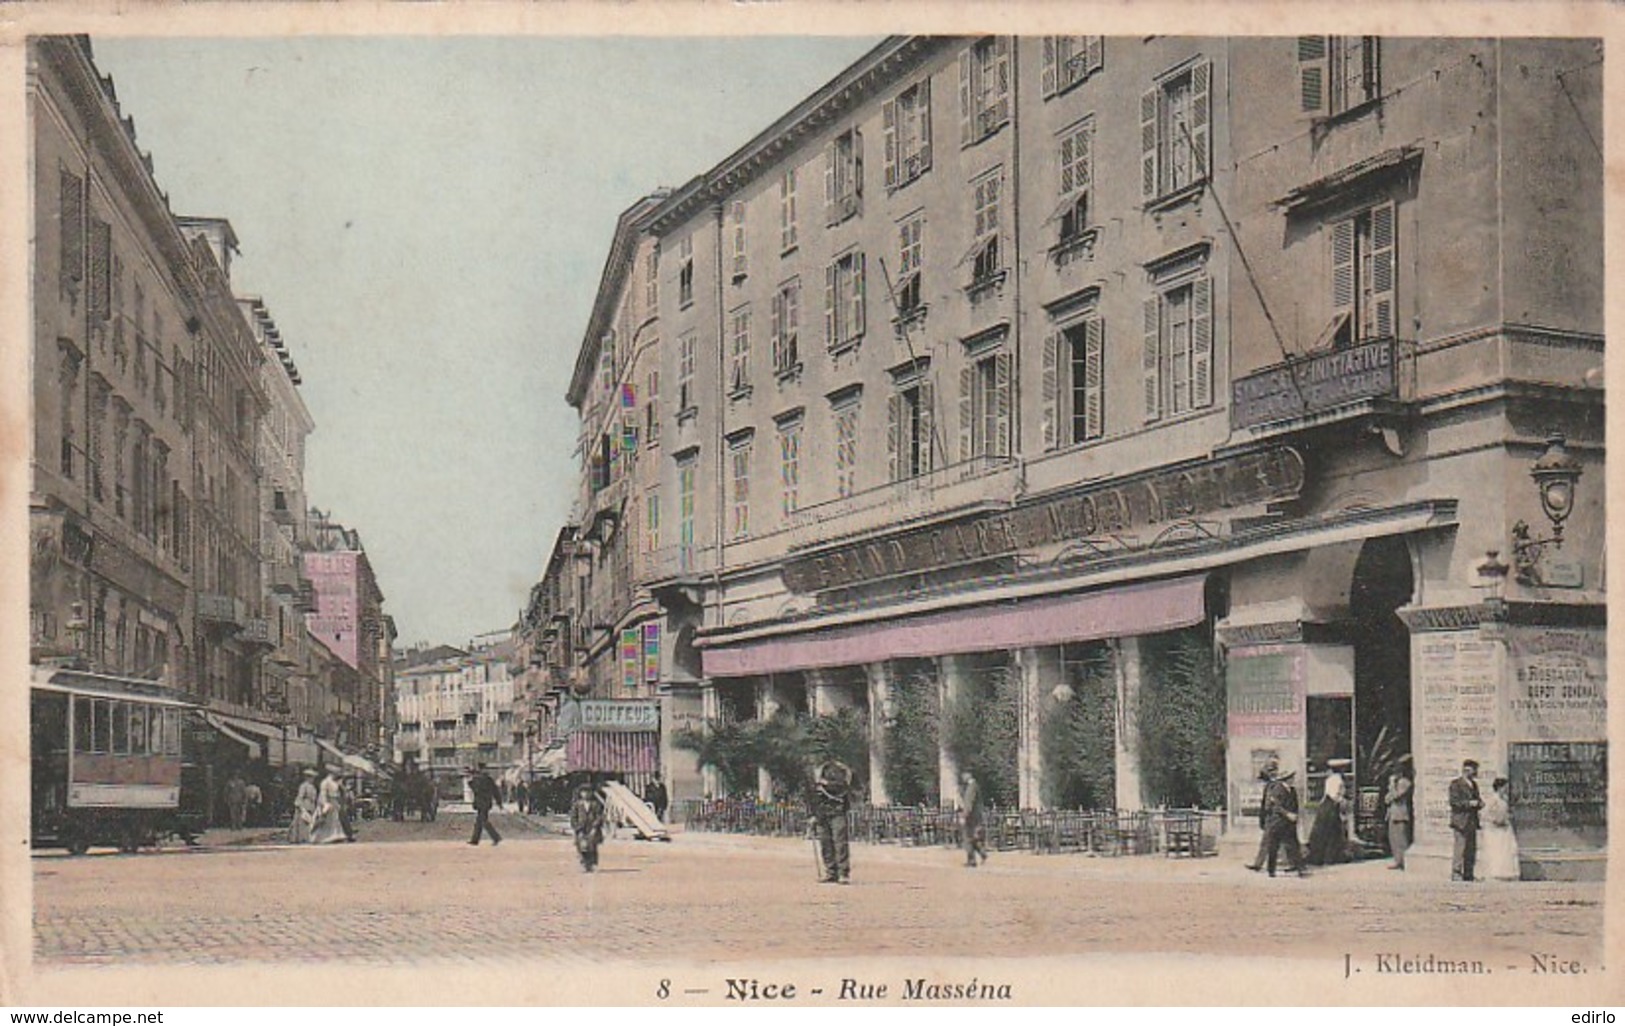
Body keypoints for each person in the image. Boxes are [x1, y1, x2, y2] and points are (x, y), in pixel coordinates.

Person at [809, 758, 853, 884]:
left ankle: (843, 873)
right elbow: (813, 797)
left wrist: (825, 783)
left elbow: (843, 786)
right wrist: (813, 815)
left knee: (840, 843)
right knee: (825, 843)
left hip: (837, 811)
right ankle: (830, 872)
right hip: (822, 814)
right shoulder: (815, 772)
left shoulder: (839, 769)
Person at [1263, 769, 1307, 878]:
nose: (1293, 780)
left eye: (1292, 778)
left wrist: (1295, 815)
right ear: (1286, 779)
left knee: (1293, 846)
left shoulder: (1292, 790)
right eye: (1291, 778)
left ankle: (1299, 868)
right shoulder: (1277, 790)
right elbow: (1276, 807)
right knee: (1273, 847)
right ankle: (1271, 870)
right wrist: (1288, 814)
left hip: (1289, 823)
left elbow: (1295, 805)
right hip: (1277, 822)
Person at [1305, 763, 1349, 866]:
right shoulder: (1338, 780)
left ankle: (1319, 857)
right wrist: (1342, 801)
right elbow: (1335, 795)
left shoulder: (1330, 780)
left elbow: (1328, 795)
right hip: (1332, 806)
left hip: (1326, 806)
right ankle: (1329, 858)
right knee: (1332, 833)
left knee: (1322, 832)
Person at [1448, 759, 1484, 881]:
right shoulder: (1455, 784)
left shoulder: (1474, 784)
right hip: (1460, 821)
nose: (1476, 772)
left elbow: (1478, 799)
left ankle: (1469, 873)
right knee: (1460, 848)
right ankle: (1456, 873)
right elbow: (1454, 802)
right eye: (1474, 770)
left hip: (1472, 821)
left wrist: (1479, 803)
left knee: (1471, 849)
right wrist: (1469, 803)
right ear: (1467, 770)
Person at [1480, 776, 1521, 881]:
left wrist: (1507, 818)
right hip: (1495, 830)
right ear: (1499, 788)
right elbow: (1485, 814)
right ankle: (1496, 872)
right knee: (1496, 850)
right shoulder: (1493, 799)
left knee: (1506, 849)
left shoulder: (1504, 799)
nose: (1506, 790)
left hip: (1504, 828)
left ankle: (1505, 872)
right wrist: (1495, 820)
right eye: (1504, 788)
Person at [1245, 755, 1280, 872]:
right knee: (1267, 841)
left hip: (1277, 817)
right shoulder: (1269, 785)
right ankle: (1258, 864)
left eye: (1271, 771)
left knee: (1287, 842)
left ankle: (1296, 863)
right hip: (1270, 817)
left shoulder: (1277, 785)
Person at [570, 782, 607, 871]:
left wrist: (595, 826)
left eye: (588, 792)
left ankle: (591, 863)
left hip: (592, 828)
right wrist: (577, 827)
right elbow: (573, 817)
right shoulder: (577, 805)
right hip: (581, 828)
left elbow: (599, 816)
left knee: (592, 846)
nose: (585, 794)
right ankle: (584, 863)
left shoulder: (596, 804)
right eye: (583, 792)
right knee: (581, 846)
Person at [1385, 761, 1414, 870]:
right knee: (1393, 838)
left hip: (1401, 813)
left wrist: (1392, 786)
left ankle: (1404, 861)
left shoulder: (1405, 782)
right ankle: (1397, 860)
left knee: (1401, 838)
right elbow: (1387, 798)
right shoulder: (1394, 782)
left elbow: (1397, 796)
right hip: (1392, 813)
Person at [467, 764, 502, 846]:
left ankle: (496, 837)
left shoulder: (479, 779)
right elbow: (495, 791)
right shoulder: (489, 779)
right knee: (479, 822)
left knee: (483, 821)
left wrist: (470, 781)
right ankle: (475, 840)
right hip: (486, 803)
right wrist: (499, 802)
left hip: (482, 803)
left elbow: (475, 789)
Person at [310, 768, 346, 844]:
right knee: (326, 820)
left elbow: (340, 793)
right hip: (328, 801)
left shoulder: (335, 782)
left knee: (335, 819)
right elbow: (323, 793)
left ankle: (335, 835)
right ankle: (322, 837)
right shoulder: (325, 782)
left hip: (334, 801)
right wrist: (325, 803)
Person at [959, 770, 987, 867]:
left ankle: (972, 859)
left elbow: (969, 803)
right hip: (975, 816)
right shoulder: (973, 786)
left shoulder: (971, 787)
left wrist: (964, 816)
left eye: (964, 775)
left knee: (968, 838)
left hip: (972, 817)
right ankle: (981, 853)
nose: (962, 777)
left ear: (968, 775)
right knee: (972, 837)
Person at [290, 768, 318, 844]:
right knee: (302, 823)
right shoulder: (303, 786)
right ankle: (301, 838)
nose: (312, 779)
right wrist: (301, 807)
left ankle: (307, 838)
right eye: (311, 777)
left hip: (310, 806)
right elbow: (300, 796)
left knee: (309, 823)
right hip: (304, 805)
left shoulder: (312, 787)